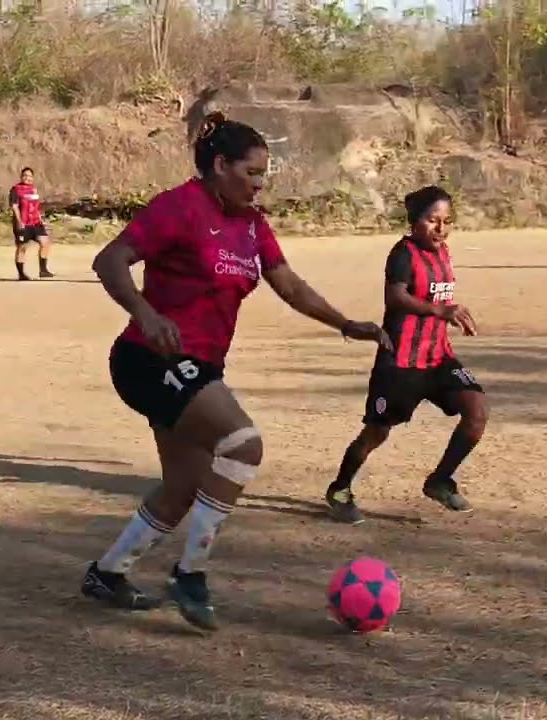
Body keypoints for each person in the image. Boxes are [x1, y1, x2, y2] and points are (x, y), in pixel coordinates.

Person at [80, 112, 388, 630]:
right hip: (150, 359)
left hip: (199, 366)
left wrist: (344, 323)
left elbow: (289, 284)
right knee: (243, 445)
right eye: (251, 172)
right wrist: (146, 314)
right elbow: (109, 260)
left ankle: (108, 574)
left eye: (264, 173)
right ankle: (190, 574)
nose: (260, 183)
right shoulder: (180, 206)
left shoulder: (252, 224)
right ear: (220, 165)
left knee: (182, 487)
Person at [324, 186, 488, 525]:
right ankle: (340, 489)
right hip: (401, 362)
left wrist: (451, 314)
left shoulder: (443, 252)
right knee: (376, 433)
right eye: (433, 220)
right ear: (415, 221)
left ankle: (439, 481)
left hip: (438, 357)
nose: (441, 228)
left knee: (477, 412)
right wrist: (440, 311)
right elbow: (395, 298)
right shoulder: (402, 254)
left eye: (447, 221)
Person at [10, 167, 54, 280]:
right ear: (21, 177)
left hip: (35, 222)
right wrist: (19, 222)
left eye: (29, 176)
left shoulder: (33, 189)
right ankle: (21, 274)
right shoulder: (16, 189)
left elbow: (36, 206)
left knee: (45, 242)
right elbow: (14, 207)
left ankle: (43, 270)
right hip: (23, 223)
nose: (27, 178)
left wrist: (41, 219)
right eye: (25, 175)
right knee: (22, 247)